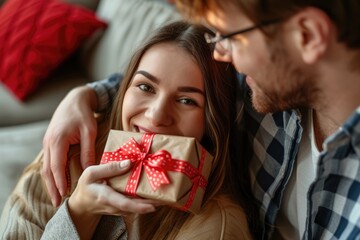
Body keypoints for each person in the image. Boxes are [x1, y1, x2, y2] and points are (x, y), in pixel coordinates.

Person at [38, 0, 360, 239]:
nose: (222, 54)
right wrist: (85, 96)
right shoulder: (270, 84)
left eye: (231, 37)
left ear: (308, 36)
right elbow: (166, 76)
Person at [0, 21, 257, 239]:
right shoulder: (72, 145)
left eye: (187, 100)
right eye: (145, 87)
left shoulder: (217, 224)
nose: (156, 114)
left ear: (213, 122)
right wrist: (78, 212)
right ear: (124, 91)